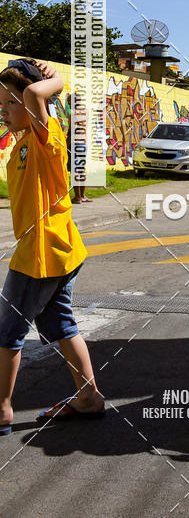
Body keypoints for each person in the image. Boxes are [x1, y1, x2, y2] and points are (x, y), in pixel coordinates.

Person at [0, 58, 104, 435]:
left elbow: (32, 91)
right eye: (3, 103)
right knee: (61, 324)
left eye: (11, 103)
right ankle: (88, 396)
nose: (6, 110)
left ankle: (2, 409)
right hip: (57, 251)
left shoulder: (48, 137)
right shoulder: (25, 142)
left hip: (40, 256)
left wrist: (56, 79)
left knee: (6, 332)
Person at [65, 93, 91, 203]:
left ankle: (77, 197)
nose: (68, 103)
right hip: (83, 144)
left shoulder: (73, 114)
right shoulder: (86, 112)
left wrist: (66, 145)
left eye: (69, 101)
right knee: (81, 170)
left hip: (75, 144)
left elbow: (71, 132)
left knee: (75, 172)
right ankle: (83, 195)